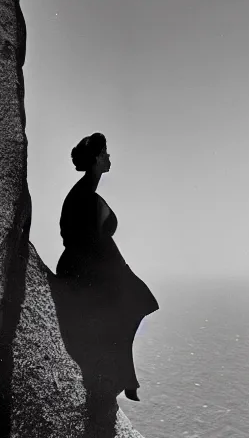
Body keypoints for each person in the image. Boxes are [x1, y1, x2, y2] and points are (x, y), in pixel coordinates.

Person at [55, 132, 159, 402]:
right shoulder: (83, 197)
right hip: (85, 270)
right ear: (98, 158)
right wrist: (119, 271)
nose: (110, 157)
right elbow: (86, 241)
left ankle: (124, 375)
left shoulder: (87, 193)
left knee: (135, 303)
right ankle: (121, 376)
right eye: (106, 153)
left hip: (94, 266)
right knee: (131, 304)